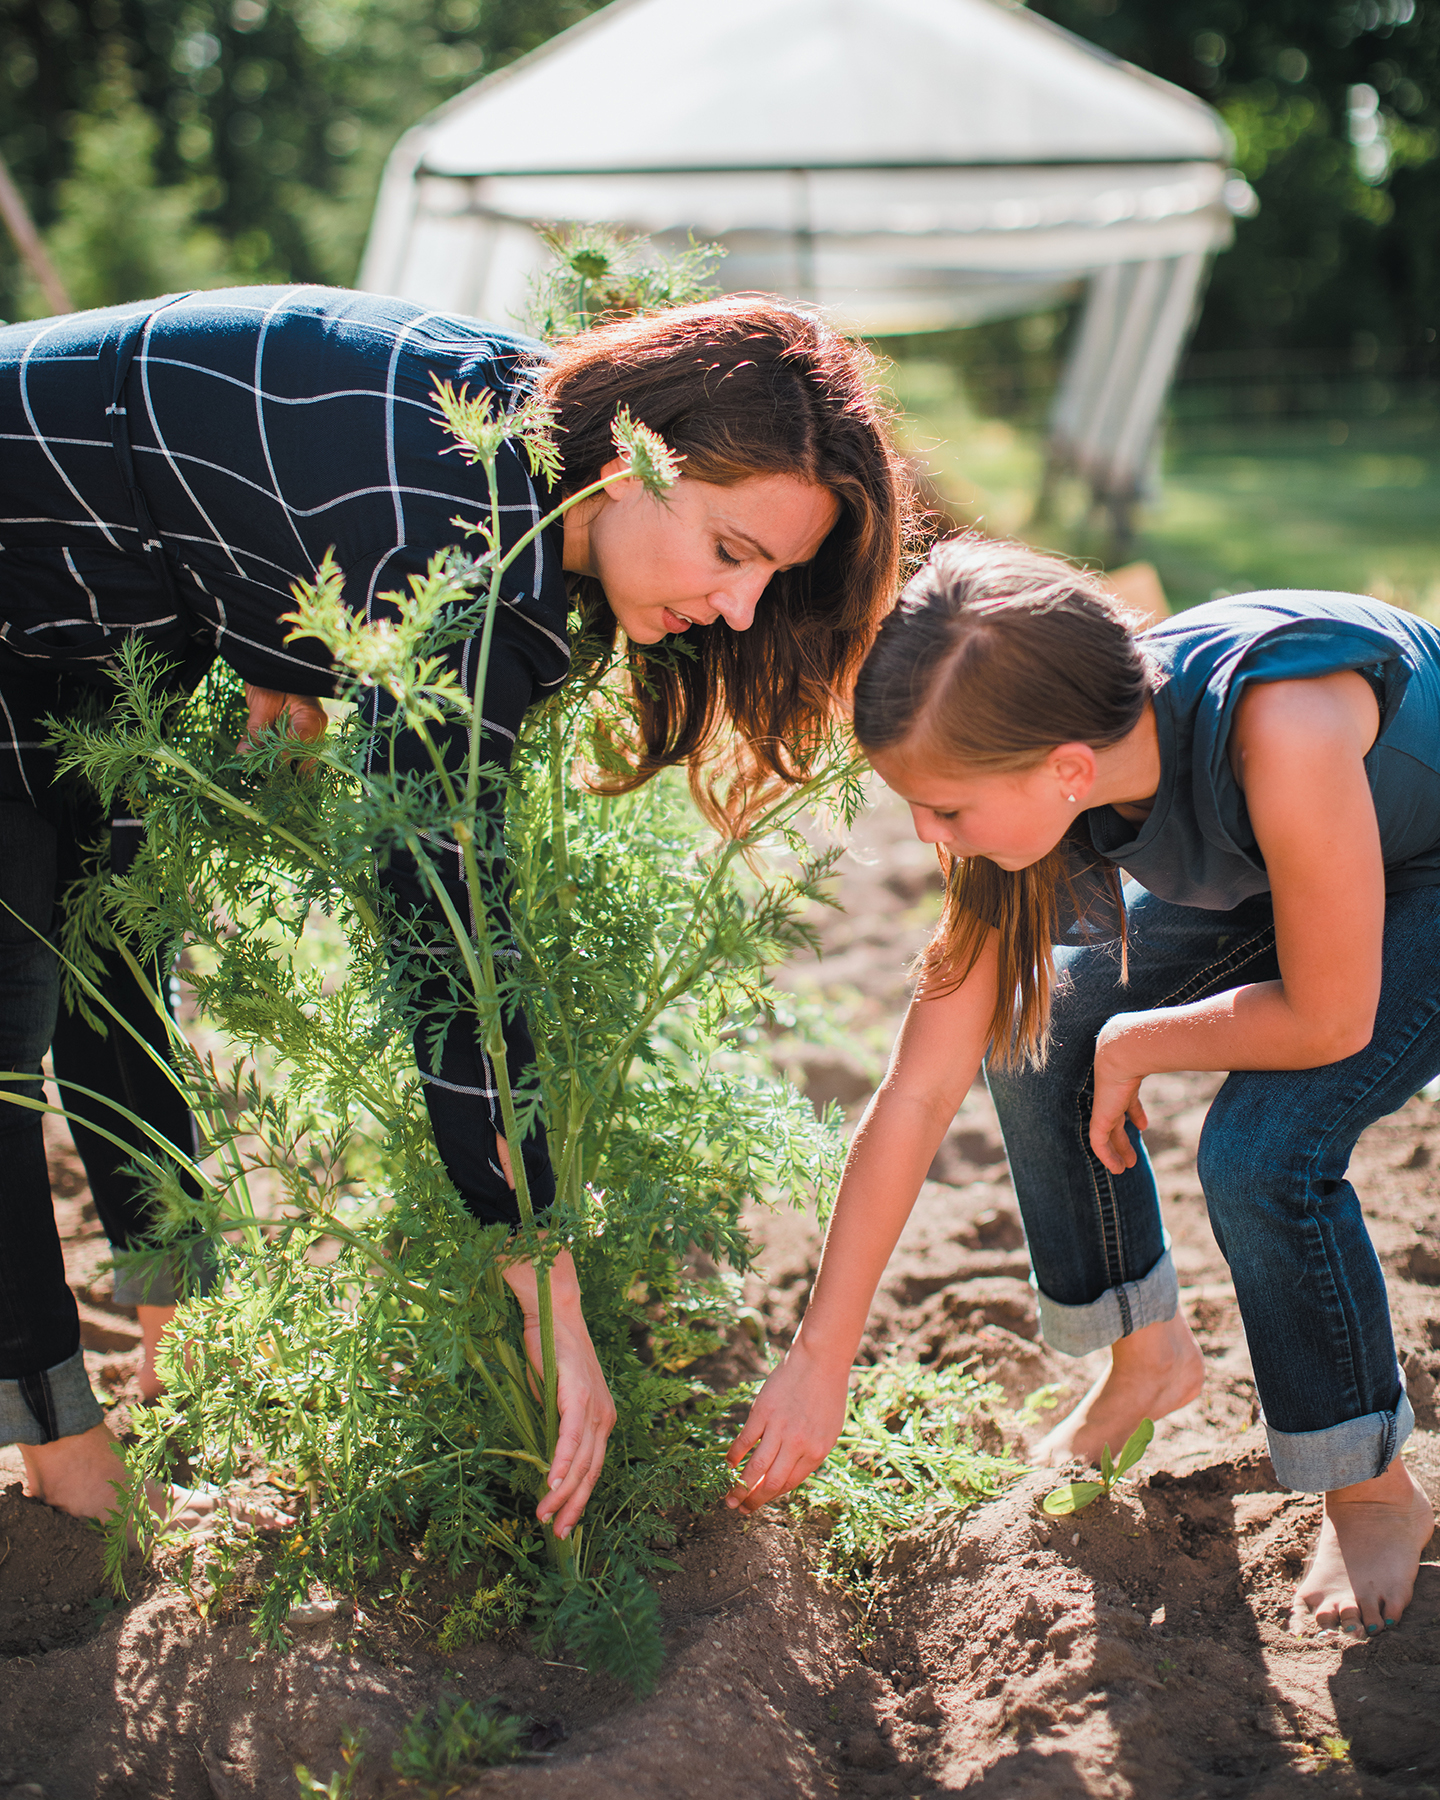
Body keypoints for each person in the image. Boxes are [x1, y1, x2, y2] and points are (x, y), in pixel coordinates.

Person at [0, 283, 910, 1539]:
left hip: (88, 605)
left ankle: (180, 1333)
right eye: (731, 553)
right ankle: (60, 1450)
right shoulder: (467, 546)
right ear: (635, 459)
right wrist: (545, 1284)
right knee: (15, 998)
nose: (742, 610)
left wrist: (273, 626)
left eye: (772, 577)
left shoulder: (533, 465)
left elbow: (253, 473)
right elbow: (450, 945)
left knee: (114, 936)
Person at [727, 534, 1438, 1640]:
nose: (927, 834)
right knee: (1037, 1028)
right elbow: (917, 1092)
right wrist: (821, 1357)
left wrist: (1142, 1042)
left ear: (1065, 771)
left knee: (1259, 1153)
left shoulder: (1282, 730)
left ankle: (1373, 1488)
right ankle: (1145, 1357)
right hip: (1289, 861)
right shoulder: (1053, 740)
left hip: (1424, 870)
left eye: (949, 811)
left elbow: (1331, 1015)